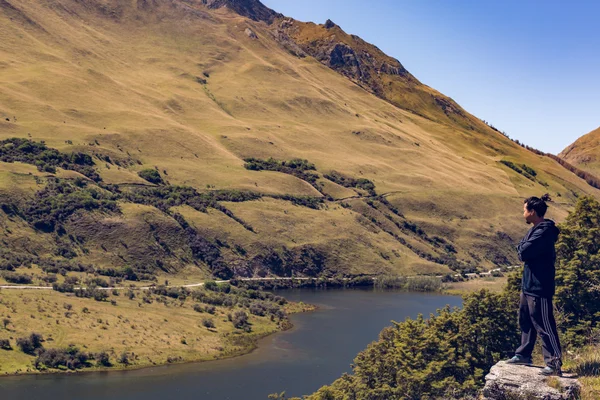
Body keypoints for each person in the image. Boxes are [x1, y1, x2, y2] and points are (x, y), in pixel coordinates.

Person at [506, 194, 562, 376]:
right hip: (528, 285)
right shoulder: (536, 229)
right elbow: (523, 249)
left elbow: (523, 251)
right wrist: (522, 247)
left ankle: (554, 363)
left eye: (524, 210)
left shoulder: (544, 231)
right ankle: (523, 355)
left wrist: (522, 247)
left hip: (540, 286)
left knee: (544, 324)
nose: (523, 213)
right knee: (526, 322)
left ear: (532, 212)